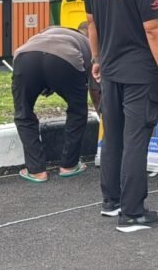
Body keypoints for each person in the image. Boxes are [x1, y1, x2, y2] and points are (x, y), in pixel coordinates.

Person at [84, 0, 158, 233]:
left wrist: (97, 57)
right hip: (139, 73)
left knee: (113, 135)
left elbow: (92, 22)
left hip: (109, 67)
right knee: (136, 139)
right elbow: (153, 29)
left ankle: (111, 201)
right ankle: (132, 212)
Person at [11, 23, 98, 182]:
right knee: (77, 111)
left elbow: (42, 60)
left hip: (25, 57)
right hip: (66, 59)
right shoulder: (89, 43)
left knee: (23, 112)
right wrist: (101, 111)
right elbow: (95, 87)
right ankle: (69, 165)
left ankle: (36, 170)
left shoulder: (47, 32)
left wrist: (46, 83)